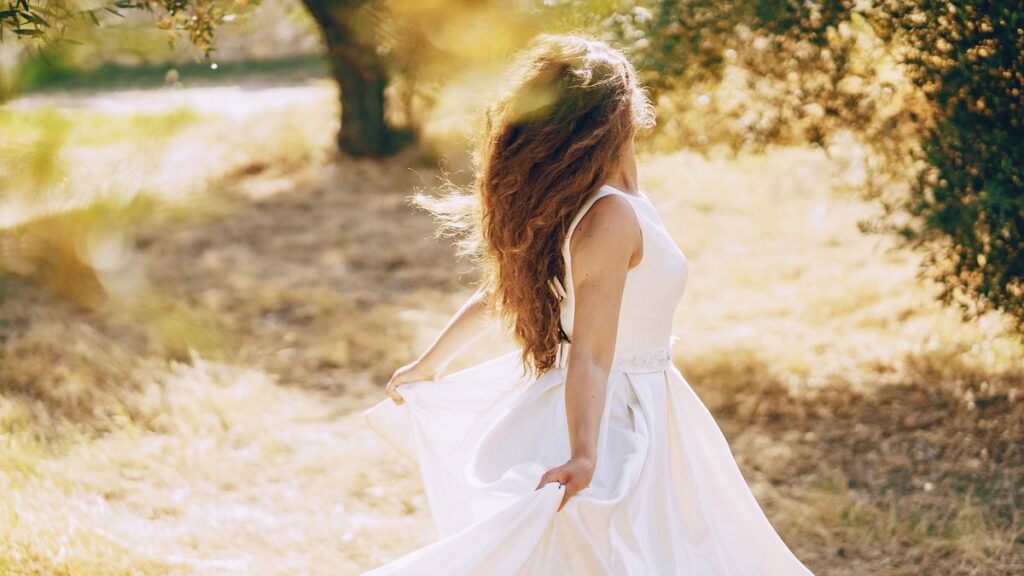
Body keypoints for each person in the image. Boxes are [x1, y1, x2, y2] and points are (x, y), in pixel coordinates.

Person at [361, 34, 815, 575]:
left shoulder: (610, 202)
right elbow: (591, 355)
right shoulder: (609, 216)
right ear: (623, 113)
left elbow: (507, 292)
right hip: (614, 411)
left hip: (653, 396)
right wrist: (583, 454)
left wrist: (430, 363)